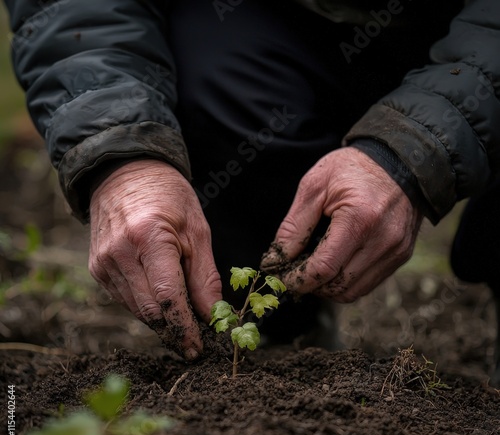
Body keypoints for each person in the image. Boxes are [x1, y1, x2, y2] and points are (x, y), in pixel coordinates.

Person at [4, 0, 500, 383]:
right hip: (275, 20)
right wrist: (121, 155)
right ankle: (288, 348)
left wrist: (416, 150)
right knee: (217, 84)